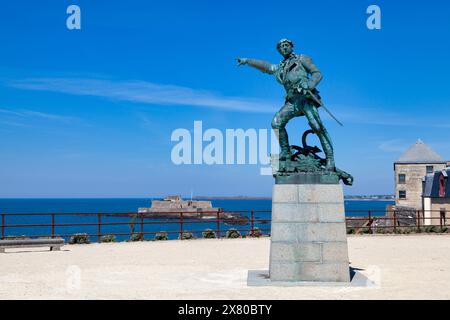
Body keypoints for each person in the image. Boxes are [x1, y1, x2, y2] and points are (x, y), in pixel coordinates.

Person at [237, 39, 335, 170]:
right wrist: (247, 61)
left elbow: (317, 73)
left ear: (291, 47)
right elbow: (266, 66)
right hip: (292, 101)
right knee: (276, 123)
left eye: (286, 45)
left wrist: (310, 84)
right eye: (281, 46)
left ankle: (330, 159)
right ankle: (286, 152)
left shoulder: (302, 59)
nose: (284, 48)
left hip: (305, 98)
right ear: (279, 50)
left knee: (317, 126)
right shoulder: (280, 67)